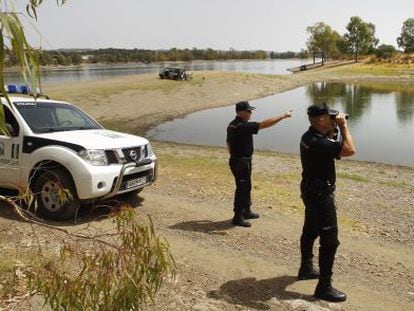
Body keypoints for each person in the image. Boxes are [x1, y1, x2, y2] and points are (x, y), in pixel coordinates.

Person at [298, 103, 356, 302]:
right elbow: (349, 150)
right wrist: (344, 128)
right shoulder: (319, 142)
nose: (335, 120)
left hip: (310, 191)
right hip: (321, 196)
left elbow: (333, 146)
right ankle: (324, 286)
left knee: (310, 230)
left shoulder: (309, 136)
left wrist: (335, 128)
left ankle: (306, 268)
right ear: (321, 120)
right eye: (331, 118)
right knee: (329, 240)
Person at [226, 101, 293, 227]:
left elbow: (228, 143)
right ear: (240, 112)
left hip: (240, 161)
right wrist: (283, 116)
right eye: (249, 111)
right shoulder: (241, 126)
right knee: (241, 189)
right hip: (241, 162)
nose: (251, 113)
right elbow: (264, 124)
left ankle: (246, 211)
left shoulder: (232, 125)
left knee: (247, 186)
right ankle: (237, 217)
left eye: (251, 110)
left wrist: (234, 156)